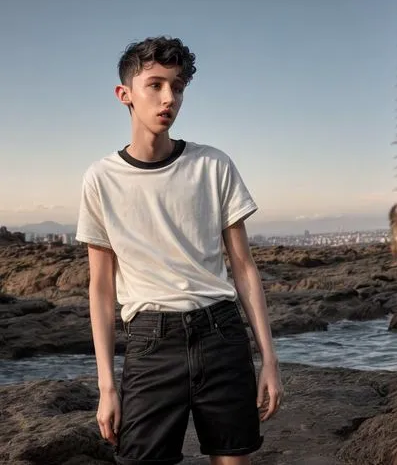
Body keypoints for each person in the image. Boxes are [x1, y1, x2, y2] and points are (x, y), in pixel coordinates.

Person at [76, 36, 283, 465]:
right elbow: (100, 288)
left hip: (221, 335)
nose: (169, 97)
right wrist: (107, 387)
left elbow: (243, 267)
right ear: (125, 94)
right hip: (151, 344)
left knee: (233, 460)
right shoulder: (100, 179)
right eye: (155, 84)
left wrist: (269, 360)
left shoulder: (214, 165)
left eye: (178, 86)